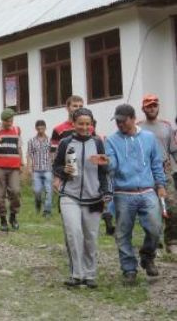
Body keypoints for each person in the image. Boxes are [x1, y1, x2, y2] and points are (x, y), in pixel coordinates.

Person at [91, 104, 166, 285]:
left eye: (122, 121)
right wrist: (106, 162)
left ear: (133, 119)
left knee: (155, 228)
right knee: (123, 233)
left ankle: (147, 256)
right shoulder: (111, 141)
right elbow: (113, 167)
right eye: (116, 121)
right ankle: (129, 269)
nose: (119, 124)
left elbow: (156, 163)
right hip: (123, 192)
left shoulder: (149, 138)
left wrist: (160, 184)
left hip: (148, 191)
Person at [53, 108, 111, 288]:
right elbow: (56, 166)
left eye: (88, 124)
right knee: (74, 233)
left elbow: (104, 170)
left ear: (92, 124)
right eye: (81, 124)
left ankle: (90, 274)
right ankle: (76, 274)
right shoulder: (65, 143)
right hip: (69, 195)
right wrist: (64, 171)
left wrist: (106, 191)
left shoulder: (98, 142)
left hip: (94, 197)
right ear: (73, 124)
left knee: (91, 236)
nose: (85, 127)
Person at [137, 94, 177, 253]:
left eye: (154, 105)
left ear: (158, 107)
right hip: (145, 173)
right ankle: (154, 243)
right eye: (149, 106)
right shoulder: (138, 127)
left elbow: (173, 150)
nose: (152, 108)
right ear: (143, 108)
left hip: (164, 171)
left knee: (173, 207)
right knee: (151, 210)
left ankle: (172, 241)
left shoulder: (167, 126)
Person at [0, 108, 23, 232]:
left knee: (16, 191)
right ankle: (3, 219)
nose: (10, 123)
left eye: (11, 120)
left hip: (14, 167)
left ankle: (13, 216)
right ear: (2, 120)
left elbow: (19, 147)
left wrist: (21, 162)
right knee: (0, 195)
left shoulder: (17, 130)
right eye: (7, 121)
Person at [27, 120, 53, 217]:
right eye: (39, 128)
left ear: (45, 128)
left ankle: (47, 211)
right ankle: (38, 202)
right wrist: (29, 167)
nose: (40, 130)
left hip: (48, 169)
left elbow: (54, 153)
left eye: (42, 128)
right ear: (36, 129)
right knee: (37, 191)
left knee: (48, 190)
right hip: (36, 170)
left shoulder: (50, 140)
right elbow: (29, 154)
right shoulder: (31, 141)